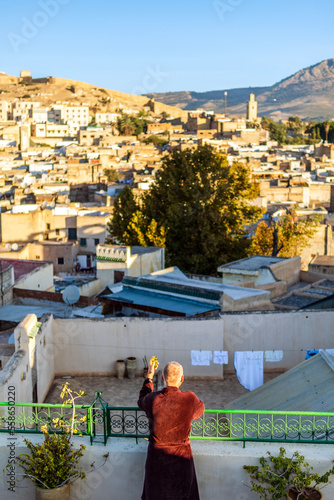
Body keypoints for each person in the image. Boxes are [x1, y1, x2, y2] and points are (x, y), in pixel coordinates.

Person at [138, 359, 205, 500]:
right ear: (182, 378)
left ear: (162, 378)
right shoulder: (190, 399)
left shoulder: (152, 399)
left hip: (157, 461)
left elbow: (141, 399)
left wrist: (149, 375)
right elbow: (200, 410)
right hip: (182, 461)